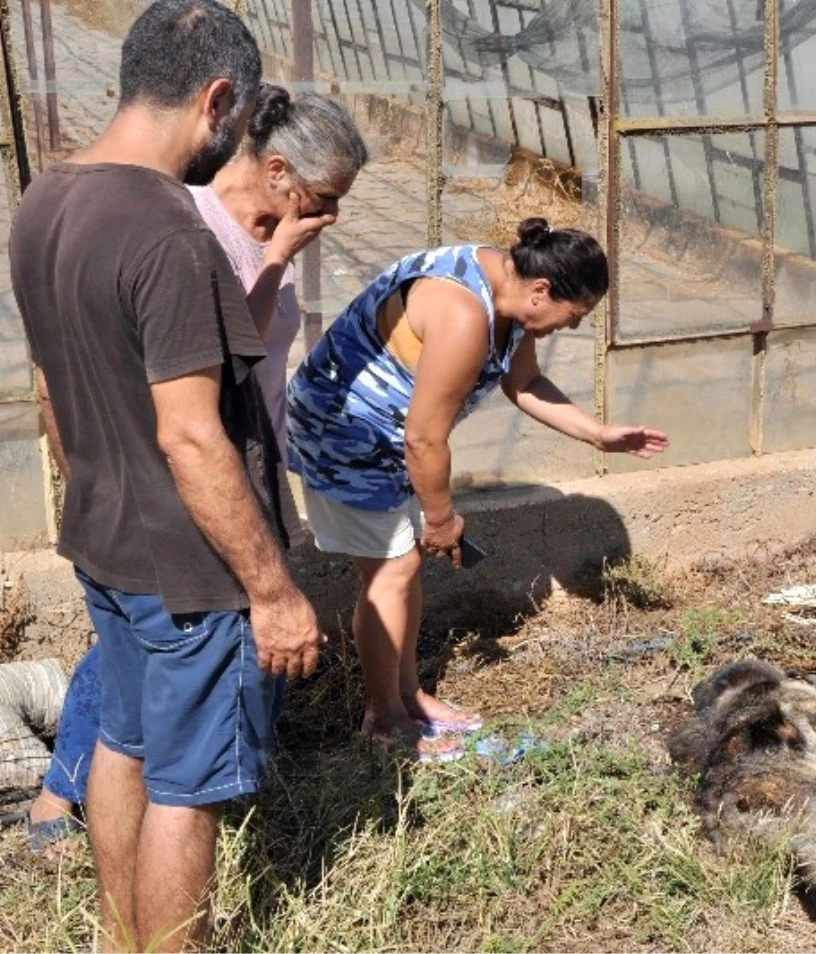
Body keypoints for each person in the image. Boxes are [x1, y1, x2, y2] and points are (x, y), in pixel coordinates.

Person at [9, 3, 324, 950]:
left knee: (123, 745)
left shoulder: (45, 201)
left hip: (106, 542)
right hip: (191, 573)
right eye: (234, 127)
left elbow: (53, 392)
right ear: (216, 98)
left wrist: (99, 487)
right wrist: (269, 591)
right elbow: (193, 439)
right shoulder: (170, 235)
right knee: (189, 791)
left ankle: (119, 938)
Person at [288, 218, 670, 760]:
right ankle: (384, 721)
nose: (573, 326)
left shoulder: (511, 295)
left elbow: (525, 383)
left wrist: (598, 433)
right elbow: (423, 438)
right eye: (575, 315)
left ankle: (407, 695)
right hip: (345, 432)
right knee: (390, 573)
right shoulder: (464, 313)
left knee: (402, 568)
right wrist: (441, 519)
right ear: (543, 290)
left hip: (391, 439)